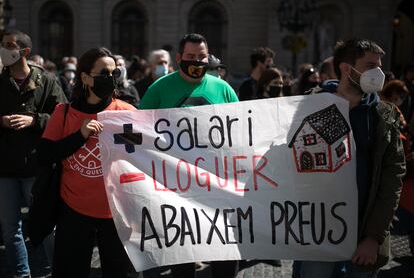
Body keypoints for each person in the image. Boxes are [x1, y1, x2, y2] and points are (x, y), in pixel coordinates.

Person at [297, 39, 405, 278]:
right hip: (318, 231)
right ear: (347, 69)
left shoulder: (384, 117)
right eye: (370, 65)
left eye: (379, 66)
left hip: (364, 231)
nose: (378, 73)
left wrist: (373, 237)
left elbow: (392, 179)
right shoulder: (311, 106)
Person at [140, 33, 239, 278]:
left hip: (217, 188)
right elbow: (139, 130)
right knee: (182, 258)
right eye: (191, 57)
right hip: (176, 190)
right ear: (179, 57)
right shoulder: (159, 89)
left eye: (202, 57)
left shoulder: (223, 89)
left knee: (224, 254)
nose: (197, 61)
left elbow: (241, 133)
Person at [37, 47, 138, 278]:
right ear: (85, 77)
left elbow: (143, 155)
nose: (111, 79)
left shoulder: (127, 112)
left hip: (117, 215)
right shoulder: (63, 113)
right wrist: (79, 136)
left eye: (115, 73)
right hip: (73, 212)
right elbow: (44, 155)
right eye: (103, 73)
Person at [0, 29, 67, 278]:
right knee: (10, 229)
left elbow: (62, 117)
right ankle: (21, 273)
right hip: (4, 169)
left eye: (9, 45)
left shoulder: (46, 81)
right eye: (3, 44)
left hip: (35, 166)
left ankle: (56, 270)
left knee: (45, 224)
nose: (4, 49)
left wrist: (34, 121)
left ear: (24, 52)